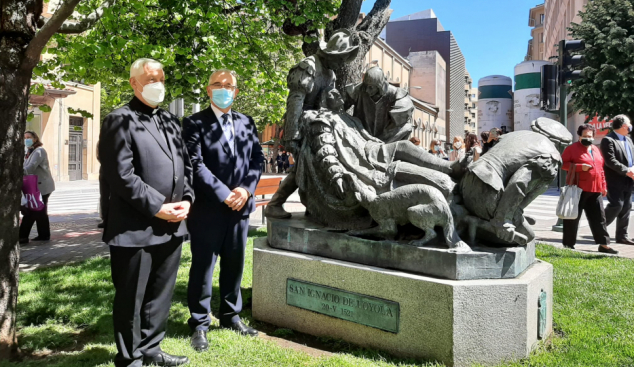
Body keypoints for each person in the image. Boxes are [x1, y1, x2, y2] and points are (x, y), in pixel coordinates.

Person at [99, 58, 193, 367]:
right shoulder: (118, 120)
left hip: (172, 225)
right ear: (134, 83)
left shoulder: (170, 120)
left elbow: (186, 166)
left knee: (160, 294)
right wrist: (157, 207)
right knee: (131, 299)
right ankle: (130, 359)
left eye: (161, 79)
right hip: (134, 228)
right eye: (151, 79)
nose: (158, 85)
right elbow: (121, 176)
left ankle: (152, 350)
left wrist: (187, 200)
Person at [182, 69, 264, 353]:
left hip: (240, 208)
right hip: (208, 209)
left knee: (234, 264)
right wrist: (223, 193)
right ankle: (200, 324)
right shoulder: (193, 123)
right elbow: (195, 163)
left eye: (229, 85)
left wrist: (245, 190)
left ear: (237, 91)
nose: (223, 88)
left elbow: (257, 159)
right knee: (203, 267)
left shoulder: (246, 122)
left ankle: (230, 316)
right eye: (217, 84)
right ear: (208, 90)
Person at [264, 29, 359, 219]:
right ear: (331, 53)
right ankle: (275, 204)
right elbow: (295, 102)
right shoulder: (308, 66)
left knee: (307, 165)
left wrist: (334, 101)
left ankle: (310, 207)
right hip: (302, 123)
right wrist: (292, 135)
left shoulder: (330, 74)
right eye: (340, 58)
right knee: (302, 165)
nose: (341, 63)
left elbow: (324, 104)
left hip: (317, 122)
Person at [562, 124, 617, 254]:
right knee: (572, 217)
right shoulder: (571, 149)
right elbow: (563, 164)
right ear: (579, 136)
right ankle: (568, 245)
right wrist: (580, 167)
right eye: (585, 136)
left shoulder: (595, 149)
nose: (588, 138)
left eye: (590, 136)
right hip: (578, 188)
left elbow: (600, 169)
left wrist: (603, 186)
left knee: (599, 218)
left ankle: (603, 244)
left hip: (595, 189)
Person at [344, 65, 414, 143]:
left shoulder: (395, 93)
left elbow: (403, 115)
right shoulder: (357, 91)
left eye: (371, 87)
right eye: (365, 86)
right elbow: (340, 107)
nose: (367, 90)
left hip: (385, 138)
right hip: (362, 134)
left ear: (380, 86)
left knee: (407, 127)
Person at [600, 114, 634, 246]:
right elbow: (610, 161)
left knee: (626, 207)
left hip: (629, 180)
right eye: (629, 124)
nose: (631, 126)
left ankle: (622, 236)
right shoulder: (608, 140)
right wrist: (626, 170)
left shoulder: (629, 140)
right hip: (615, 180)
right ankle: (599, 228)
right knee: (617, 205)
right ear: (624, 126)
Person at [19, 131, 55, 244]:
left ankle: (22, 236)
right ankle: (44, 235)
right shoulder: (29, 151)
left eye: (29, 137)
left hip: (42, 186)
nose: (26, 140)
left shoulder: (39, 151)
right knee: (40, 211)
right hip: (35, 186)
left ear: (35, 139)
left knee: (32, 210)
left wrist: (16, 170)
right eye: (25, 138)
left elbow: (31, 167)